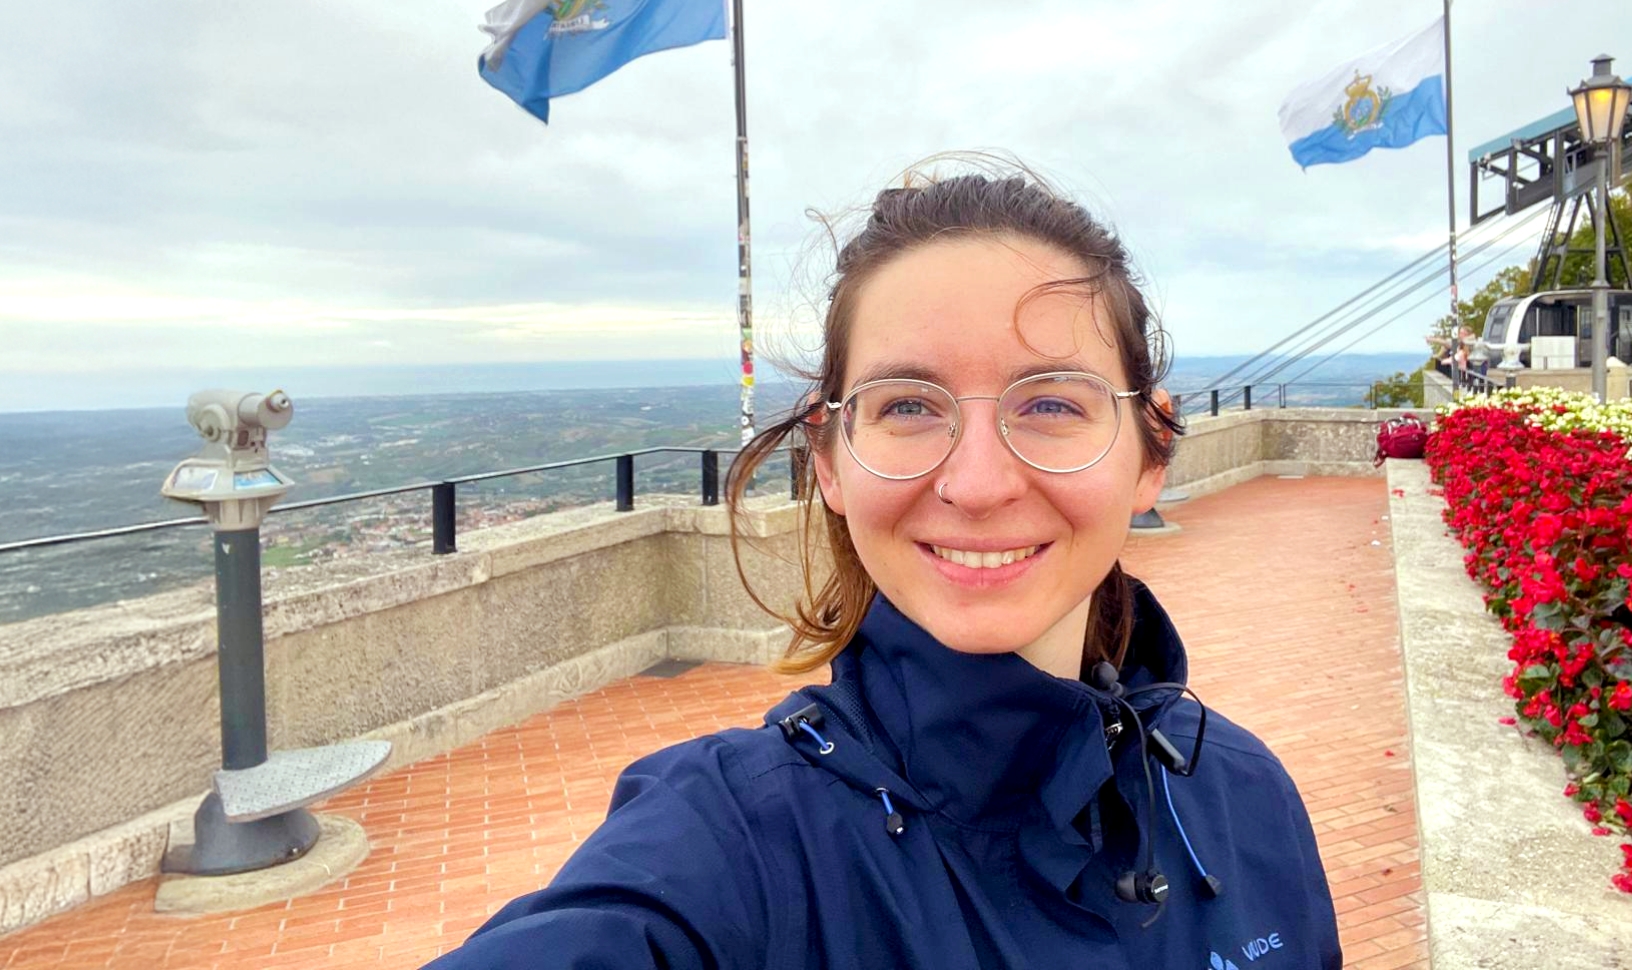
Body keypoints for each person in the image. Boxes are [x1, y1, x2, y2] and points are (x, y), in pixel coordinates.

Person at [425, 160, 1342, 969]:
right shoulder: (730, 846)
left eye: (1053, 405)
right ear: (828, 460)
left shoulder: (1243, 797)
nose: (978, 484)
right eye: (908, 406)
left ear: (1150, 452)